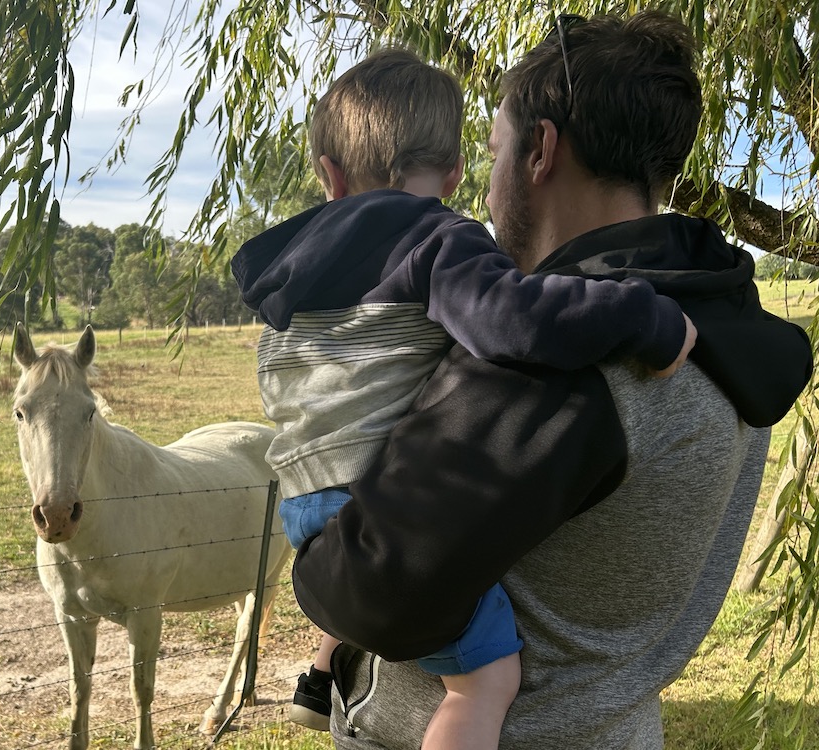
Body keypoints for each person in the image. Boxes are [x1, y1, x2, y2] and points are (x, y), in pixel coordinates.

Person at [289, 10, 814, 750]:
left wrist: (308, 549)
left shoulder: (553, 367)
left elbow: (370, 591)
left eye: (495, 147)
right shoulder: (731, 334)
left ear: (540, 150)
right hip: (618, 726)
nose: (483, 182)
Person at [231, 48, 699, 749]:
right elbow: (512, 321)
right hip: (368, 489)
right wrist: (643, 318)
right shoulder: (437, 239)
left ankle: (325, 662)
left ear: (329, 177)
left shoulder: (290, 273)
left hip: (306, 495)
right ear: (452, 174)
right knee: (484, 681)